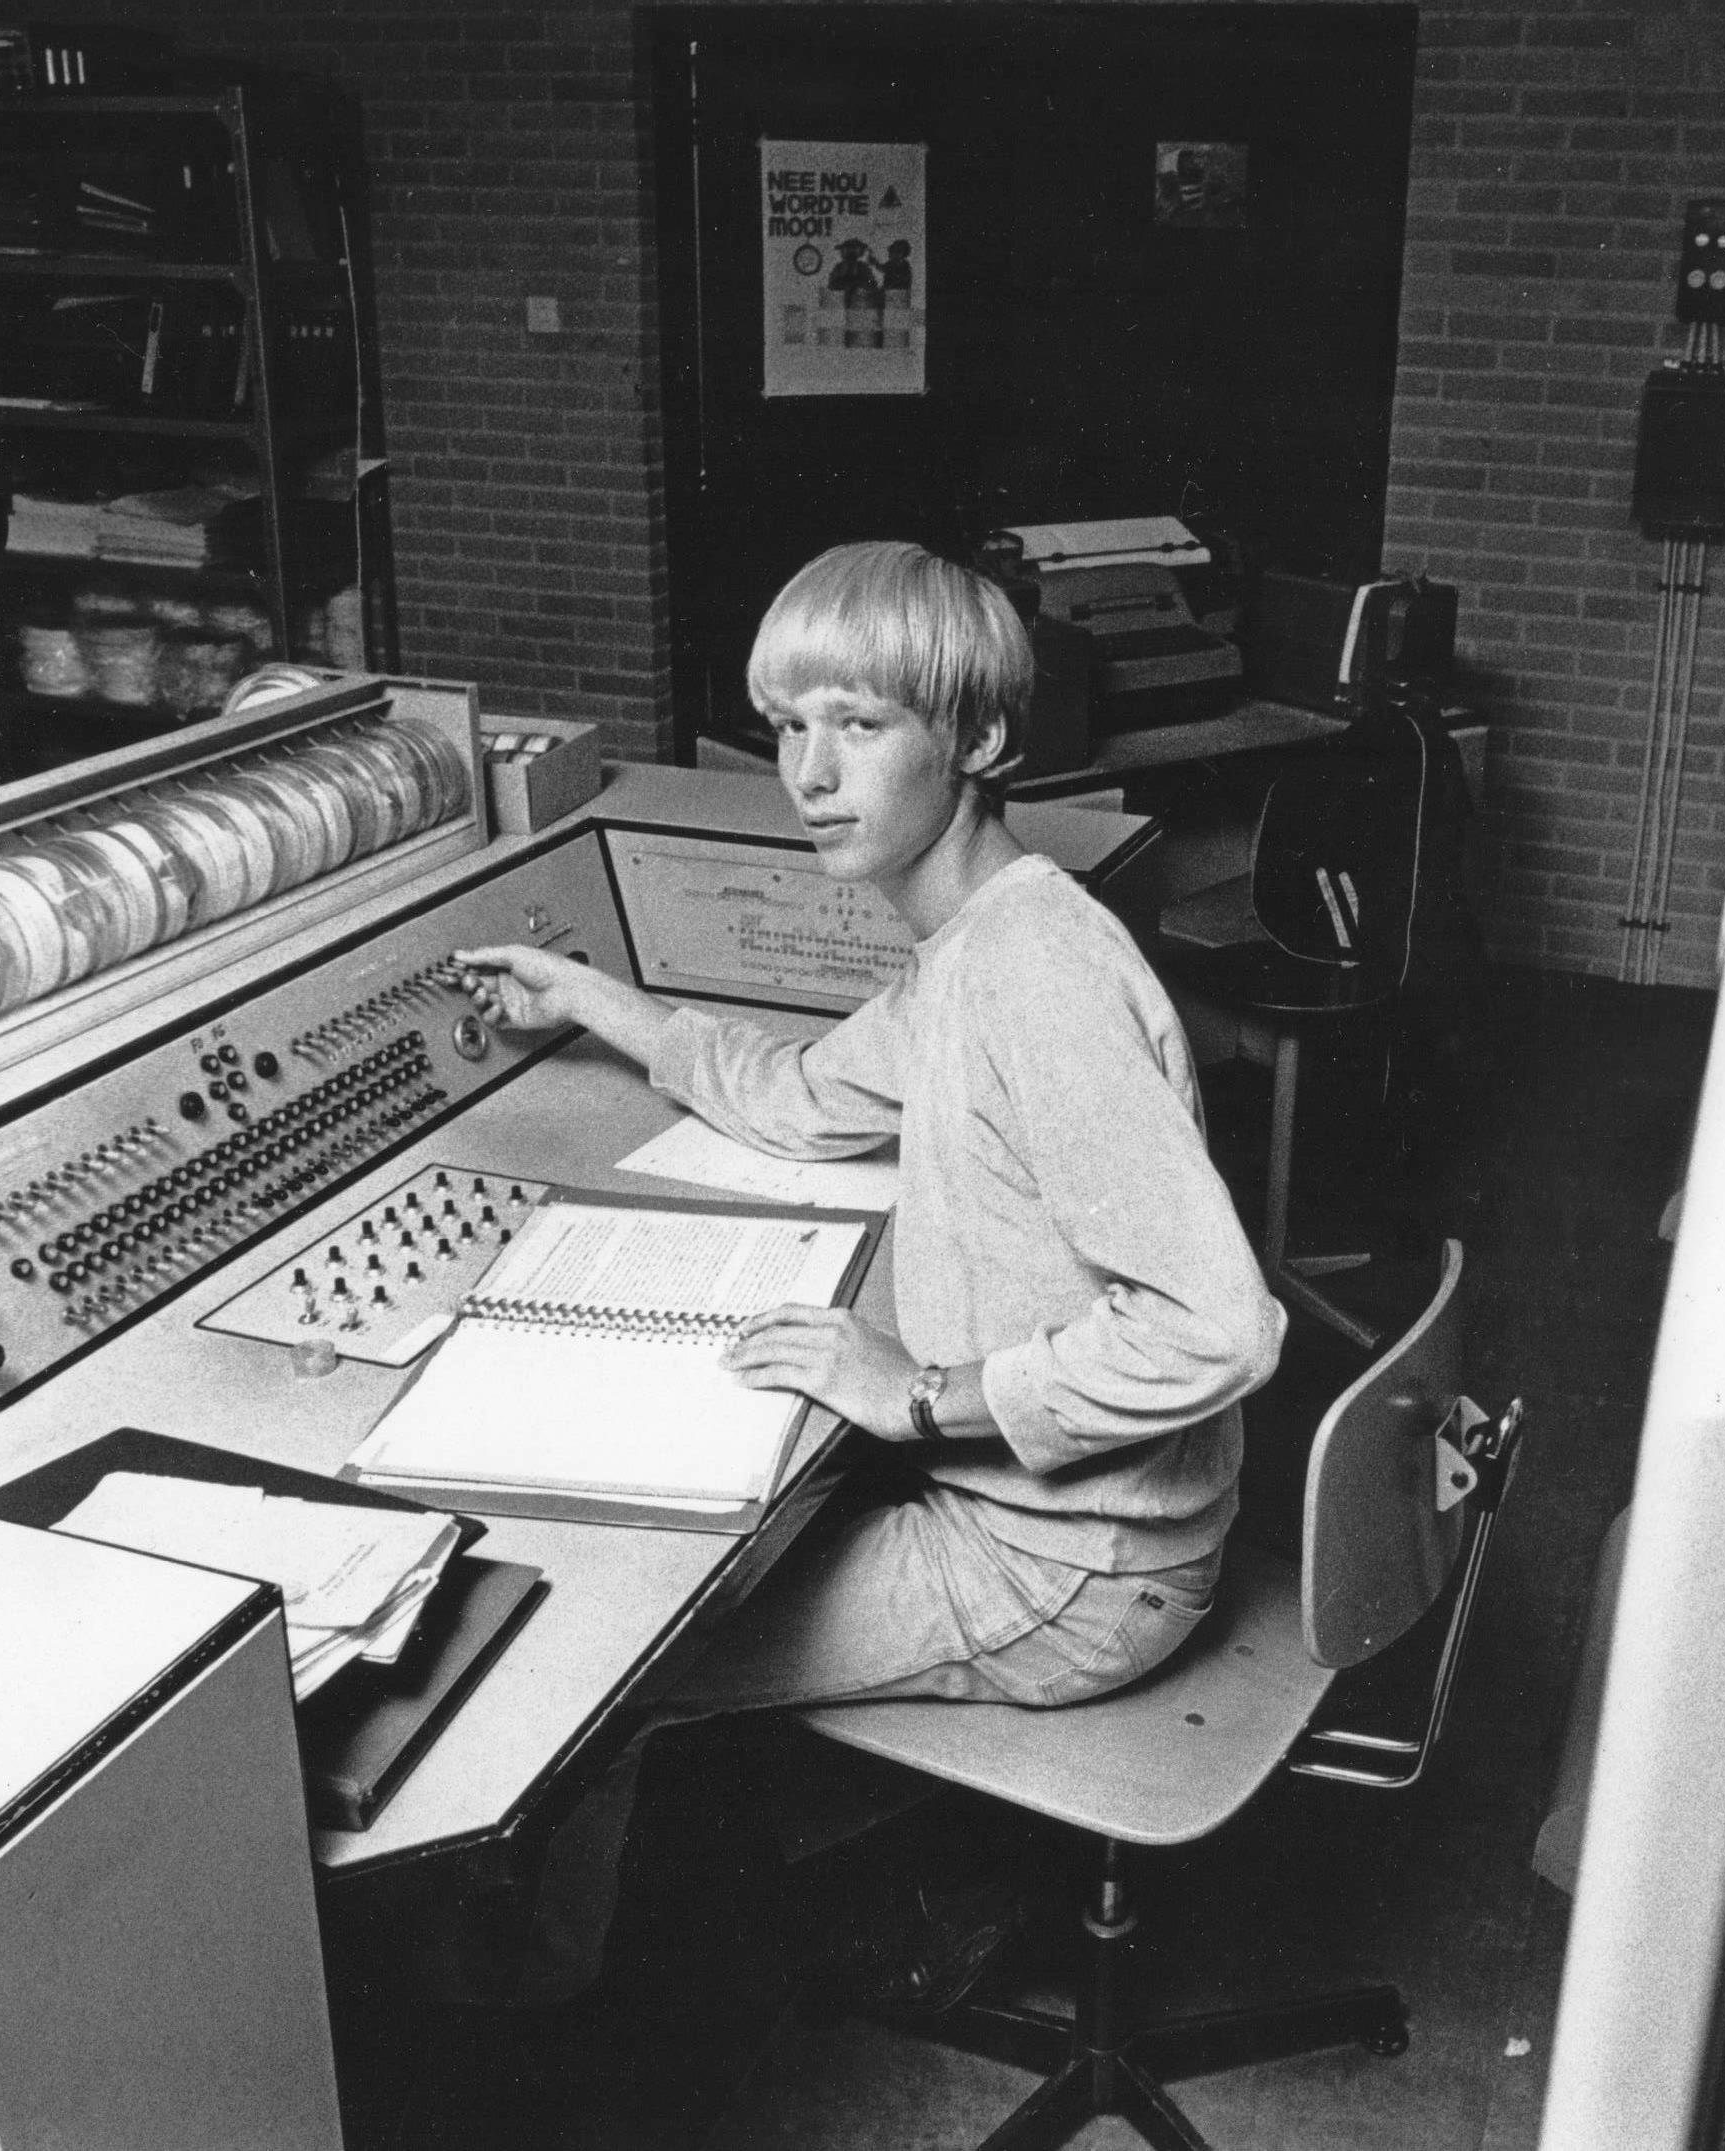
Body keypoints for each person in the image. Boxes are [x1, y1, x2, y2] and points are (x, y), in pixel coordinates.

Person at [450, 539, 1283, 2000]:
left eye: (861, 723)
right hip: (1057, 1527)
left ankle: (529, 2031)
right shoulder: (977, 940)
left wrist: (919, 1397)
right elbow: (802, 1100)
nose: (811, 775)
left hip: (1071, 1572)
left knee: (579, 1673)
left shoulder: (1035, 979)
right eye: (788, 725)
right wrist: (593, 1001)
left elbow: (1219, 1326)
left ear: (982, 740)